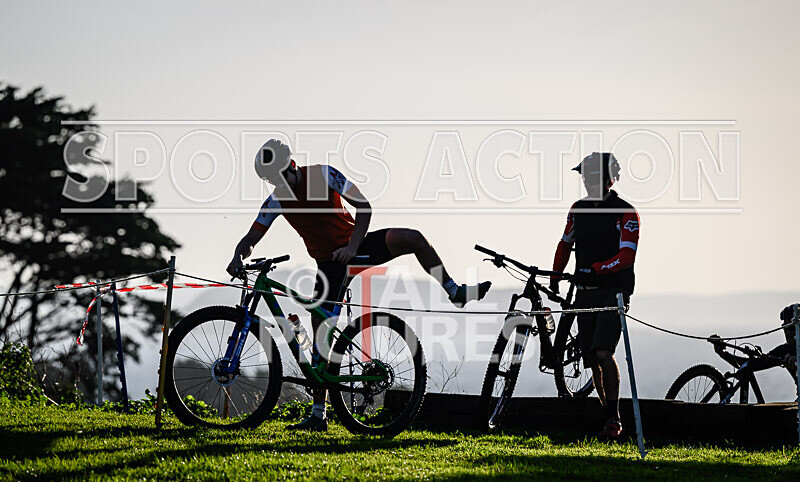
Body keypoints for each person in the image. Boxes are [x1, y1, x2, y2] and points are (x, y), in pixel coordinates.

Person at [226, 138, 491, 432]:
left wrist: (352, 247)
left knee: (413, 238)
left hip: (356, 245)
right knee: (320, 336)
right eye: (271, 181)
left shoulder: (323, 175)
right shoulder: (276, 199)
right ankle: (318, 415)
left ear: (292, 164)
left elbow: (363, 206)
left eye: (279, 177)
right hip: (329, 265)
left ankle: (453, 291)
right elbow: (251, 238)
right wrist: (238, 255)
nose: (278, 184)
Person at [549, 152, 640, 441]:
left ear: (609, 178)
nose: (588, 181)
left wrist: (600, 269)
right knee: (591, 358)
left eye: (593, 176)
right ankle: (607, 417)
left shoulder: (626, 212)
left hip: (613, 292)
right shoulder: (577, 209)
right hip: (584, 292)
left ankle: (614, 419)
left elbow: (627, 255)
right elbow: (565, 244)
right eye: (585, 176)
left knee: (603, 352)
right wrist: (555, 276)